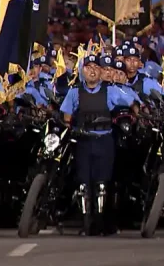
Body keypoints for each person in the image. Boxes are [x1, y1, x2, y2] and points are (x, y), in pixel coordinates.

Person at [60, 54, 132, 234]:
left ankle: (99, 223)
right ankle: (86, 223)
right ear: (82, 70)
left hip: (105, 140)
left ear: (101, 71)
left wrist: (138, 114)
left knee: (101, 184)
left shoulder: (111, 91)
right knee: (84, 184)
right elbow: (67, 117)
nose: (92, 70)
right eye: (88, 66)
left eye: (96, 67)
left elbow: (132, 102)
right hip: (83, 141)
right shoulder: (74, 91)